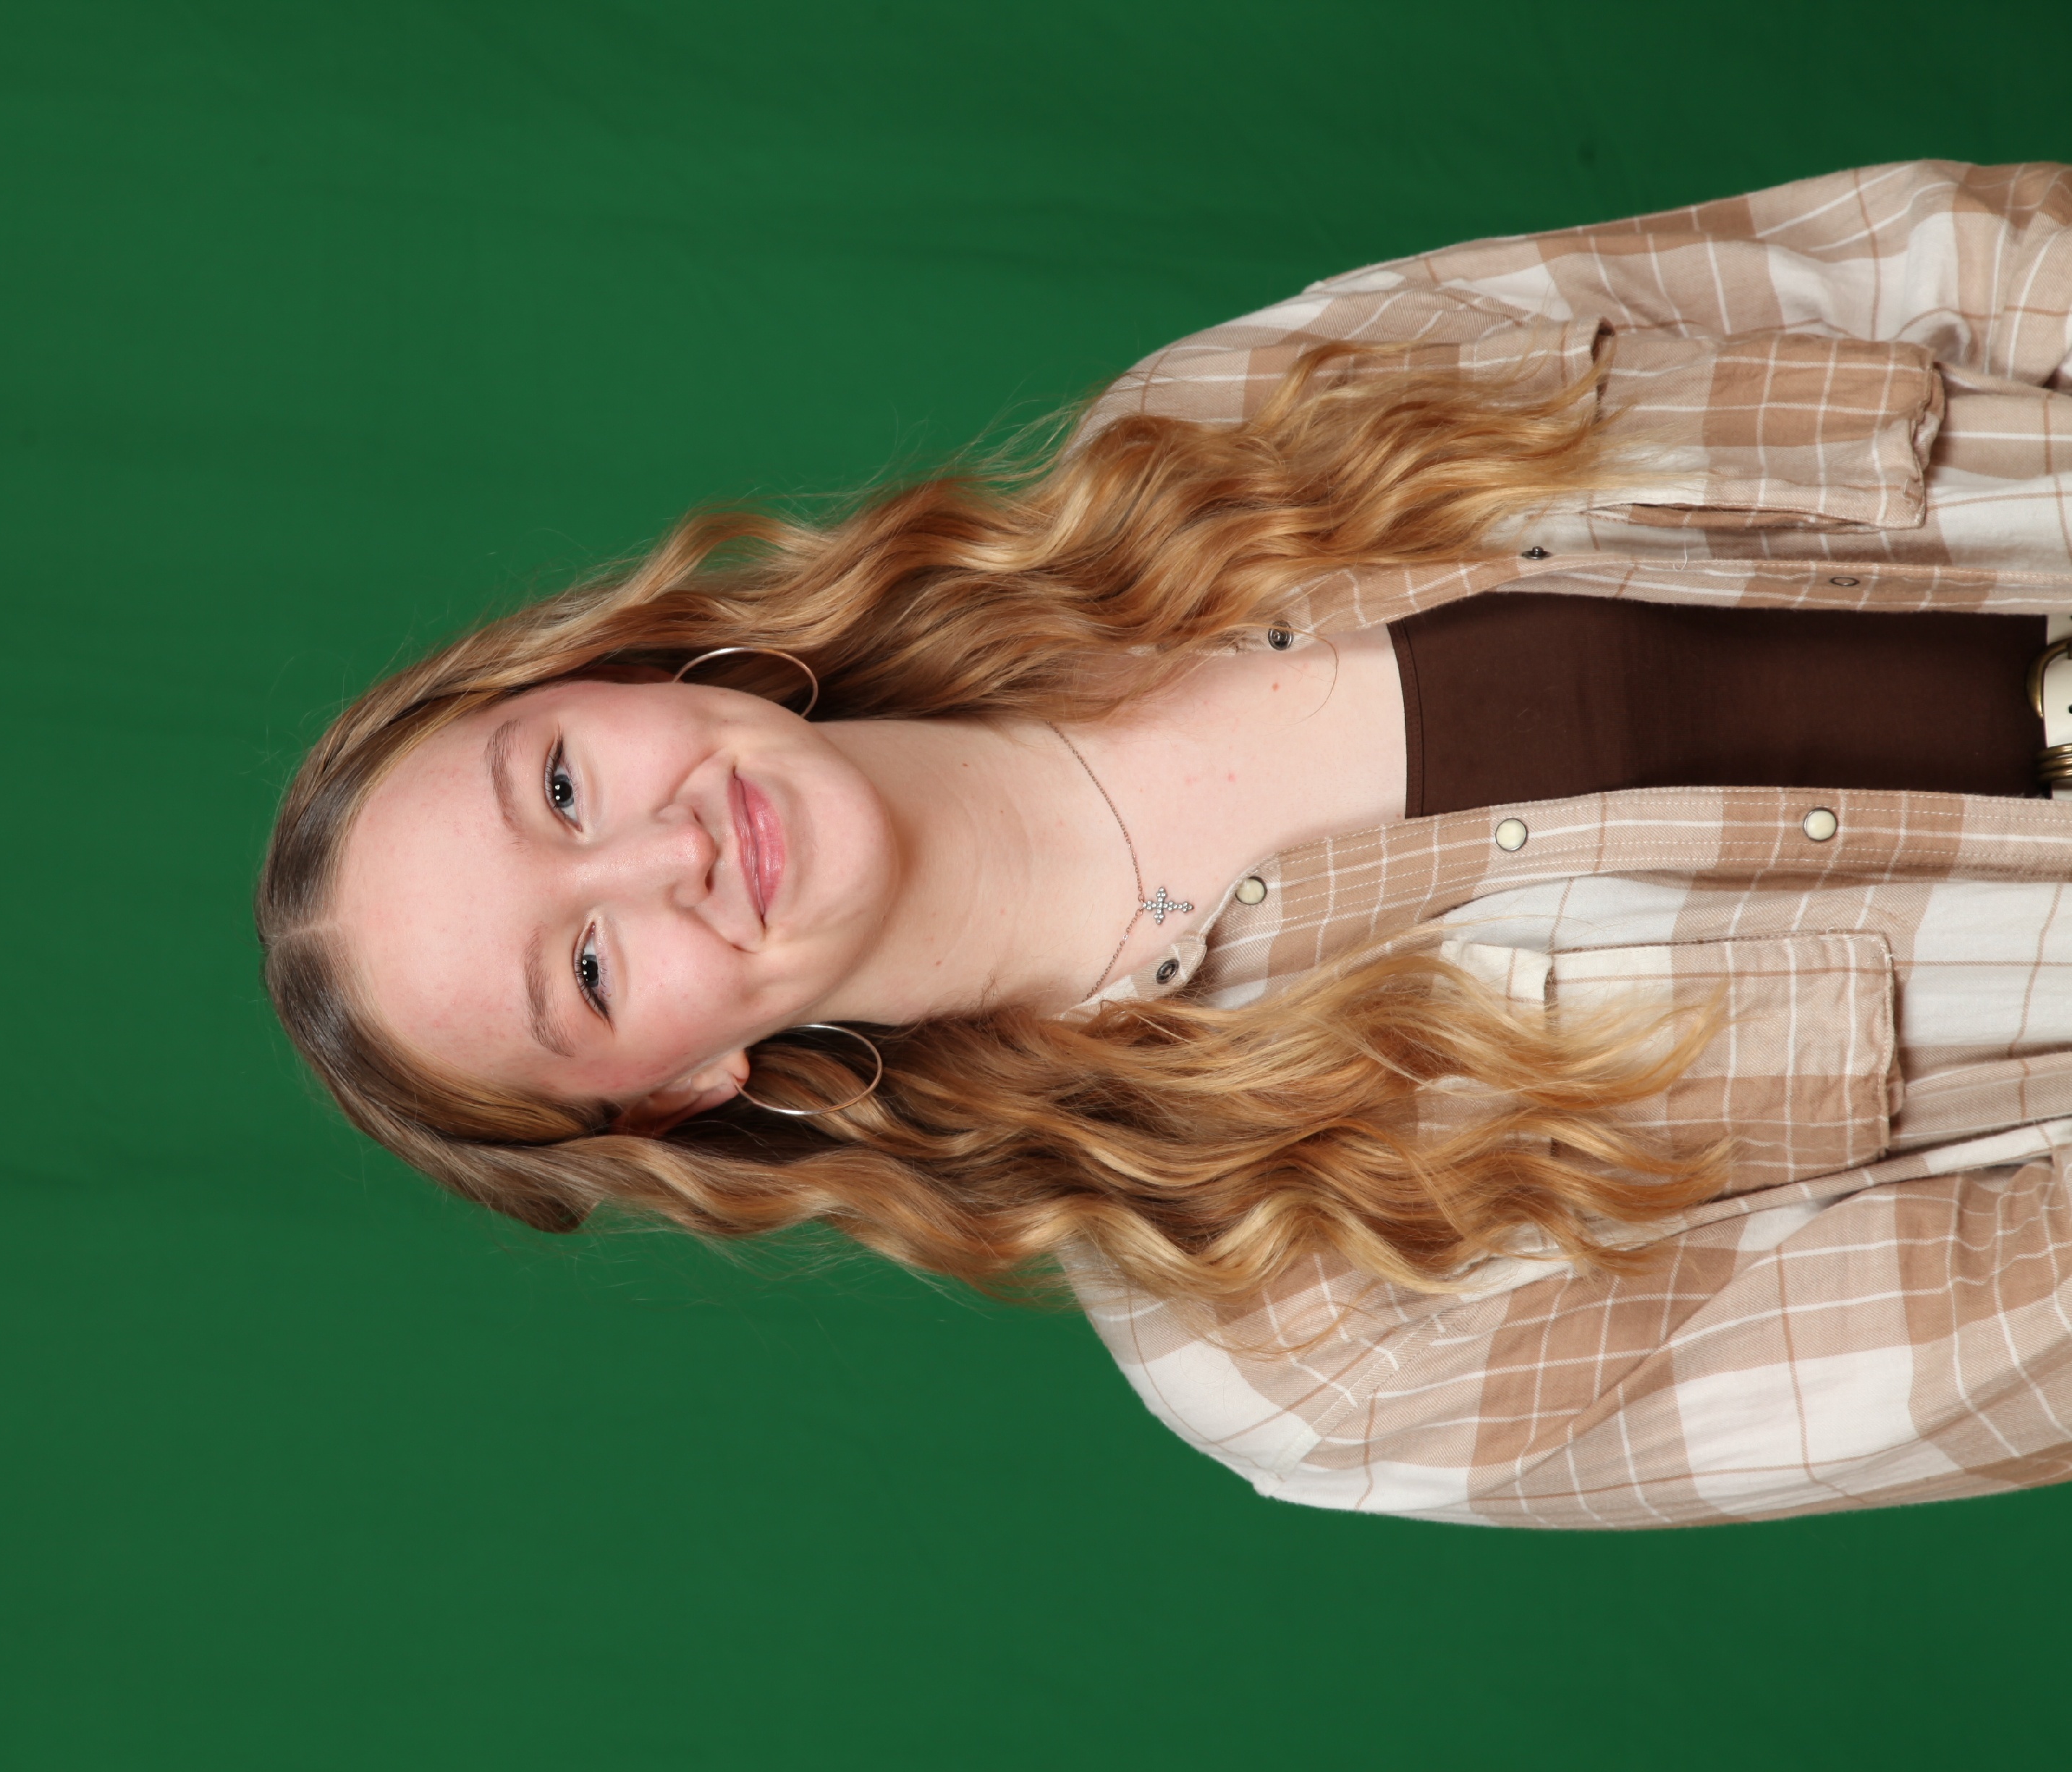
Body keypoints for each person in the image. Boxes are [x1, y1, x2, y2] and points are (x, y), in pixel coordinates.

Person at [258, 161, 2072, 1528]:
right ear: (675, 1089)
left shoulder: (1210, 426)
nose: (659, 858)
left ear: (615, 675)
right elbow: (2003, 1341)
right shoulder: (1301, 1344)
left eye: (559, 787)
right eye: (587, 968)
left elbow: (1927, 263)